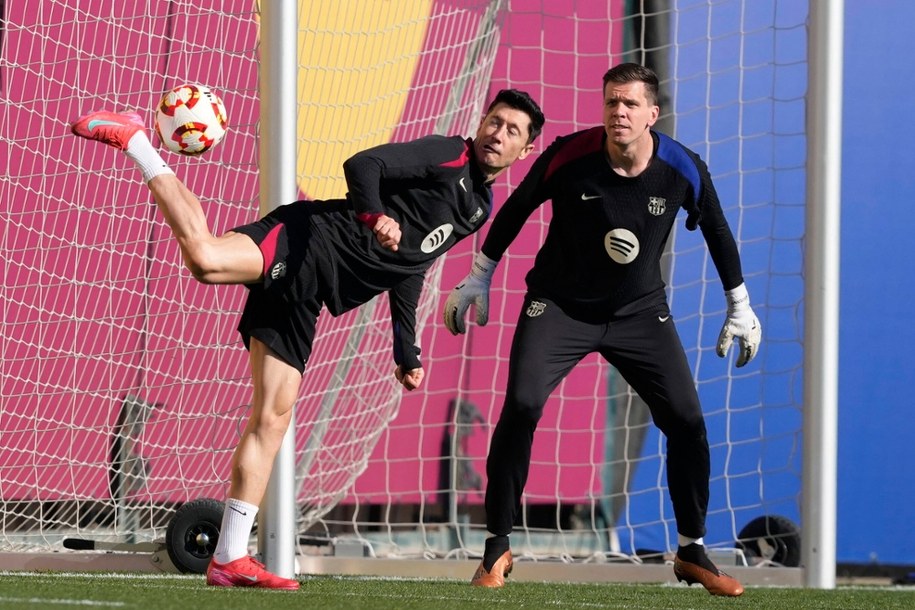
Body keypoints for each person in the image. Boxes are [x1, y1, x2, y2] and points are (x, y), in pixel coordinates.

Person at [70, 88, 544, 590]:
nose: (498, 133)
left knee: (272, 417)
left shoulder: (478, 208)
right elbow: (363, 165)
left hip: (311, 292)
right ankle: (138, 140)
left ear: (526, 149)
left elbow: (412, 264)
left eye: (512, 130)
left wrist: (406, 349)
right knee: (206, 260)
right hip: (307, 240)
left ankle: (230, 557)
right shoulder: (448, 153)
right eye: (495, 121)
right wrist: (372, 215)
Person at [443, 63, 760, 597]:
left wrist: (740, 304)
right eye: (612, 102)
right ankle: (497, 547)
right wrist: (480, 275)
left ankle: (692, 551)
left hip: (639, 313)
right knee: (521, 404)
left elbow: (718, 230)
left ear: (652, 115)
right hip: (559, 305)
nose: (619, 112)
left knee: (687, 420)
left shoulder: (682, 167)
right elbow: (517, 209)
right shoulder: (570, 154)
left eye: (631, 104)